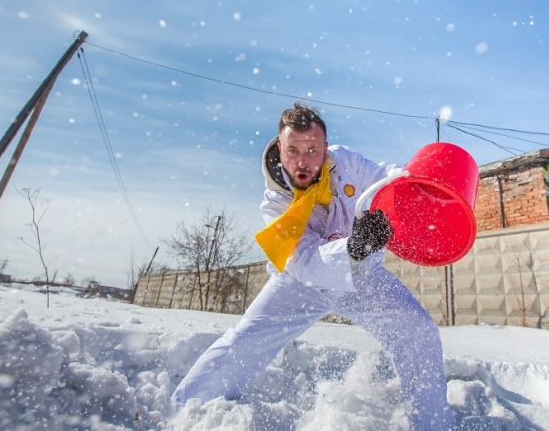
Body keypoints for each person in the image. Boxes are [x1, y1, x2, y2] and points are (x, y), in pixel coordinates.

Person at [172, 102, 455, 430]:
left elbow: (384, 178)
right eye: (293, 150)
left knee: (417, 332)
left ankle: (433, 423)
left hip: (362, 277)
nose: (303, 162)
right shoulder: (276, 203)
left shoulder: (345, 161)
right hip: (298, 285)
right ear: (280, 148)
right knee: (245, 344)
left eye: (312, 150)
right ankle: (187, 411)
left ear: (325, 147)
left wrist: (417, 179)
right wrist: (354, 246)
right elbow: (305, 261)